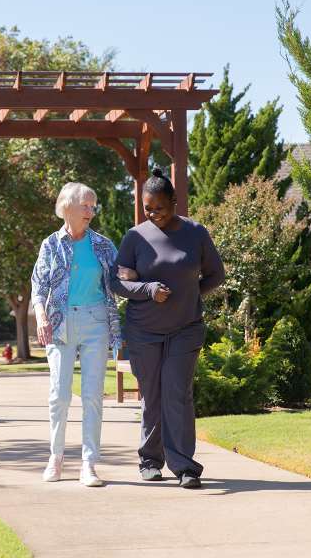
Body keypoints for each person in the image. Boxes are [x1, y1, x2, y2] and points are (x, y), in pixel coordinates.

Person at [111, 168, 225, 489]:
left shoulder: (195, 233)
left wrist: (190, 296)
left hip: (185, 328)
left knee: (178, 393)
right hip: (143, 330)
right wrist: (148, 290)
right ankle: (150, 459)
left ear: (174, 202)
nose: (153, 214)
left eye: (159, 208)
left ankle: (185, 466)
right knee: (152, 394)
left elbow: (216, 274)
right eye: (148, 208)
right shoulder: (135, 237)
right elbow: (116, 282)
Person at [31, 182, 121, 487]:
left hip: (96, 320)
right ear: (67, 206)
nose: (91, 211)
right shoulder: (50, 244)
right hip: (59, 323)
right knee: (59, 395)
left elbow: (121, 277)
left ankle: (88, 464)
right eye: (86, 205)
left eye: (93, 206)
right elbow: (39, 286)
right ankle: (55, 458)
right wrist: (42, 316)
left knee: (93, 395)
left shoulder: (103, 245)